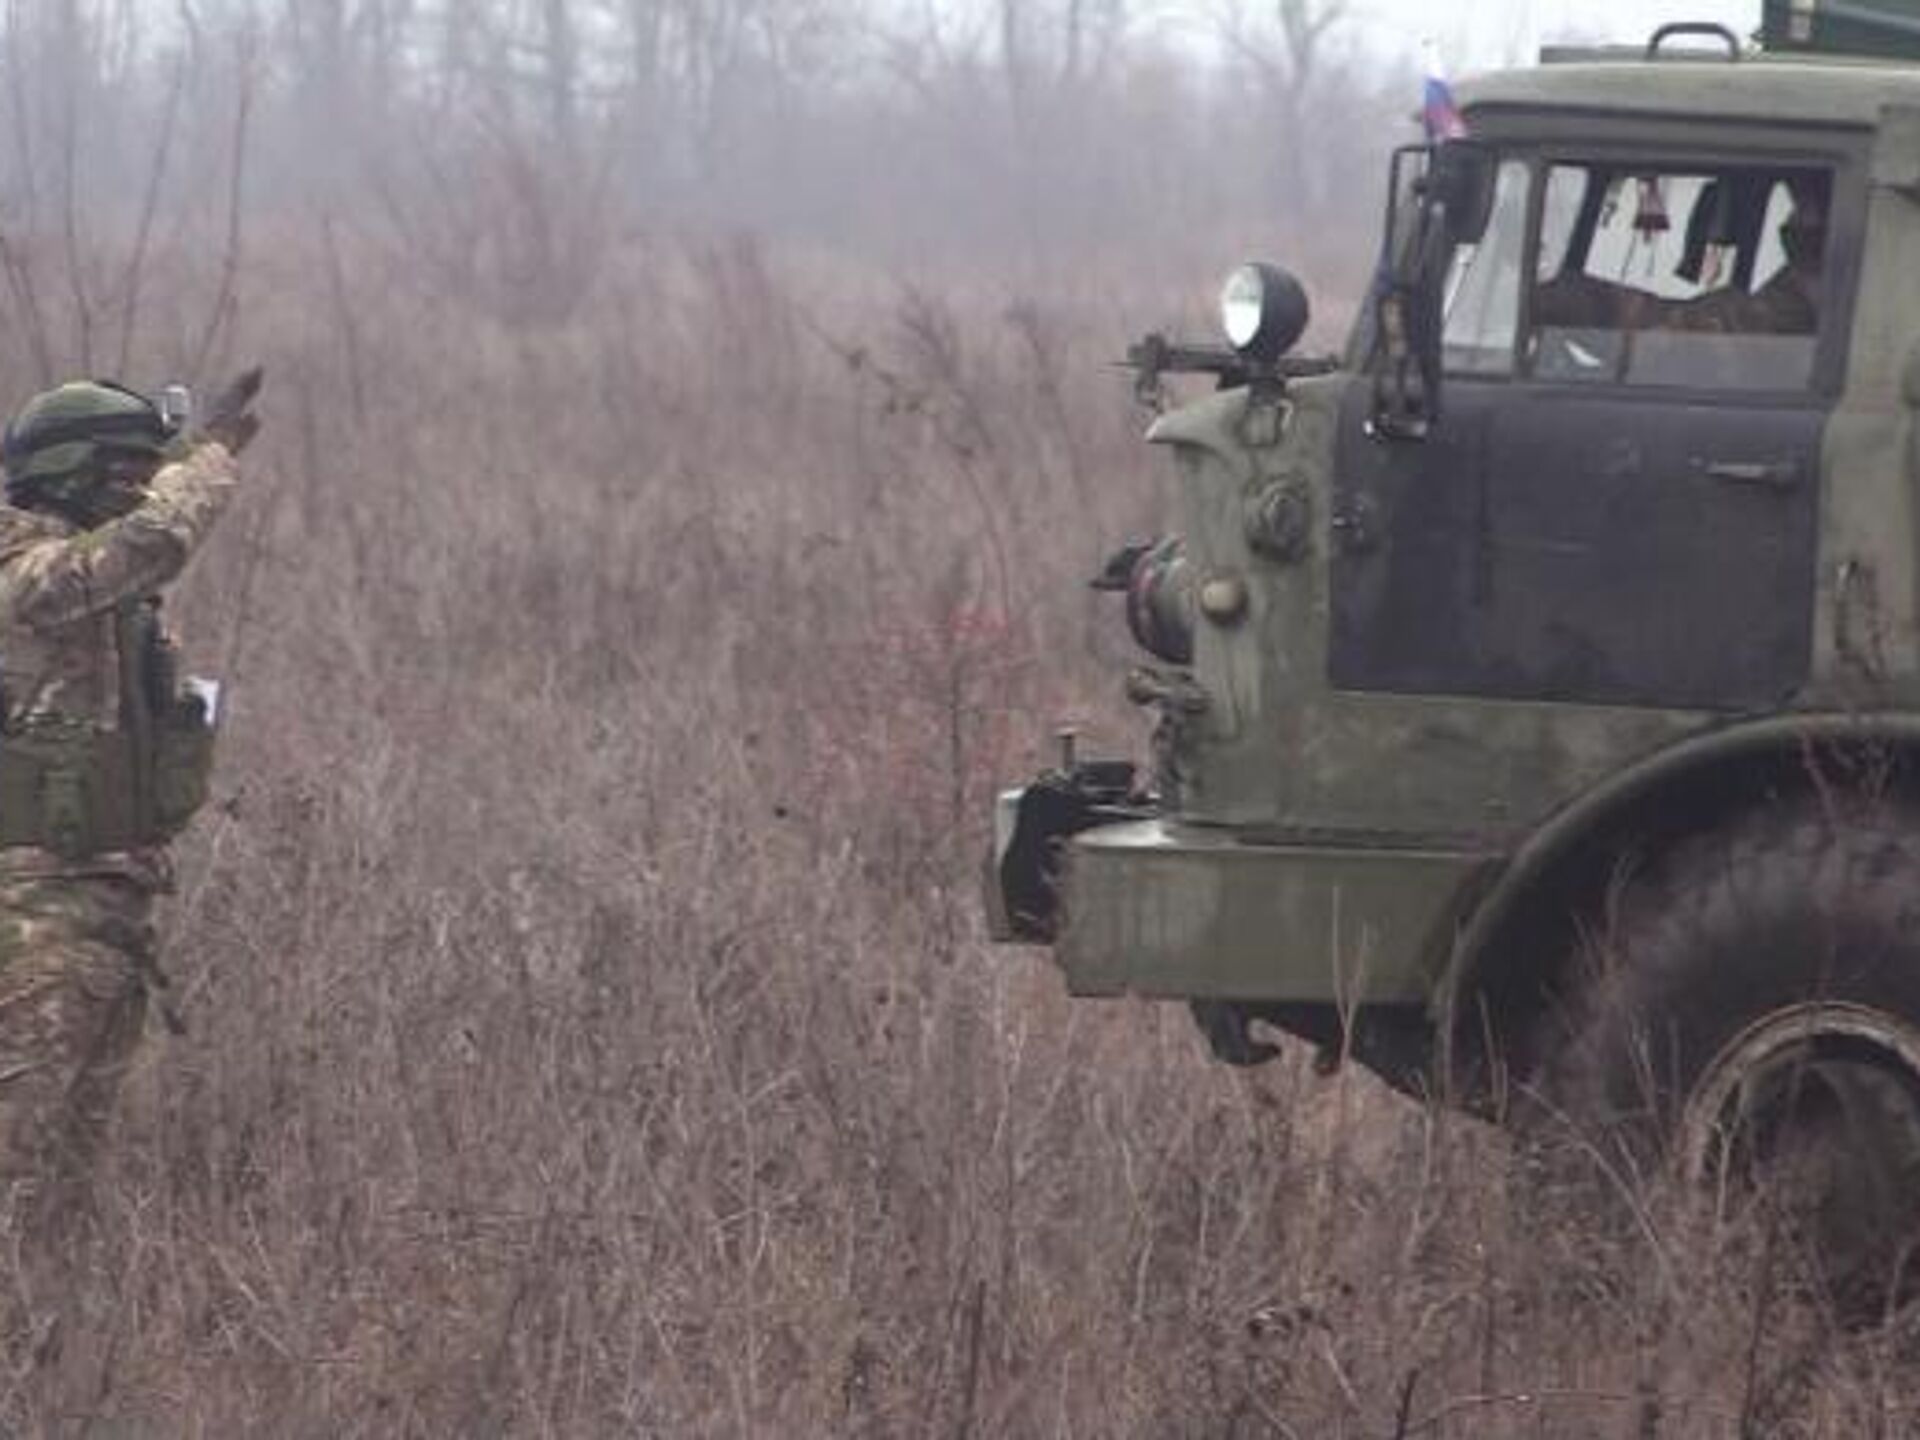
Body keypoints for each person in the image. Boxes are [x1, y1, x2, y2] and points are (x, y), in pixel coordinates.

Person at [0, 370, 260, 1210]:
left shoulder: (109, 601)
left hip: (103, 919)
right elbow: (145, 543)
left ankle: (47, 1343)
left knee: (63, 1193)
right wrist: (203, 464)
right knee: (17, 1181)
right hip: (31, 927)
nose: (139, 493)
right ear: (71, 472)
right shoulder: (24, 572)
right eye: (125, 475)